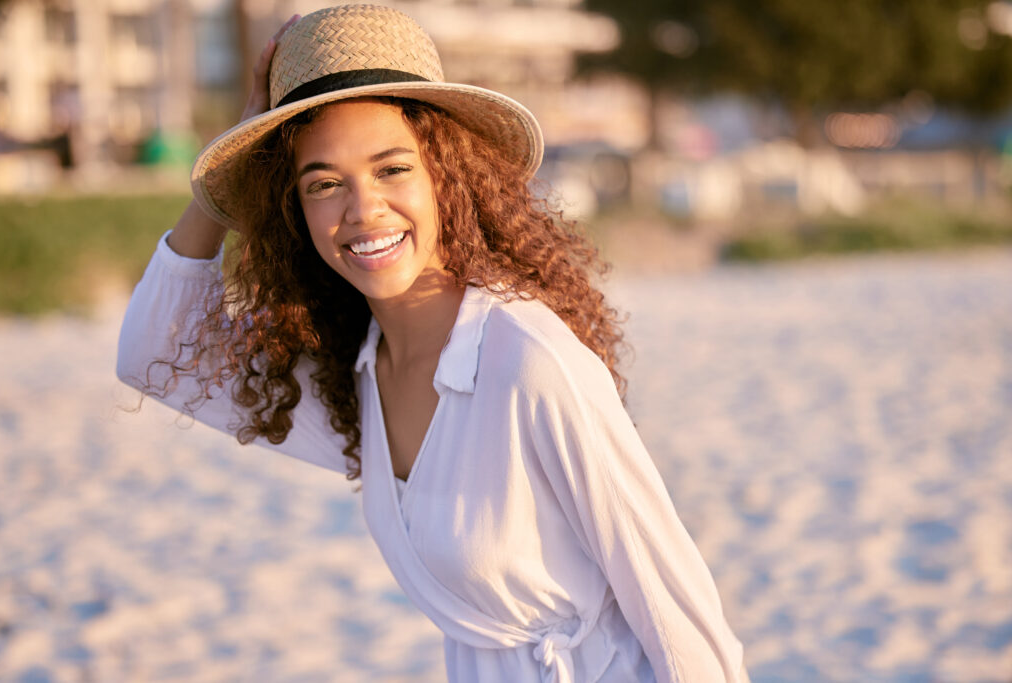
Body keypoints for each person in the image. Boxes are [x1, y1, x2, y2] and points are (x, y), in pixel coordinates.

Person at [117, 5, 747, 681]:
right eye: (324, 183)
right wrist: (230, 170)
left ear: (446, 176)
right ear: (295, 210)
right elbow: (156, 357)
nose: (363, 210)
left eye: (392, 169)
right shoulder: (357, 374)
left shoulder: (530, 363)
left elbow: (684, 621)